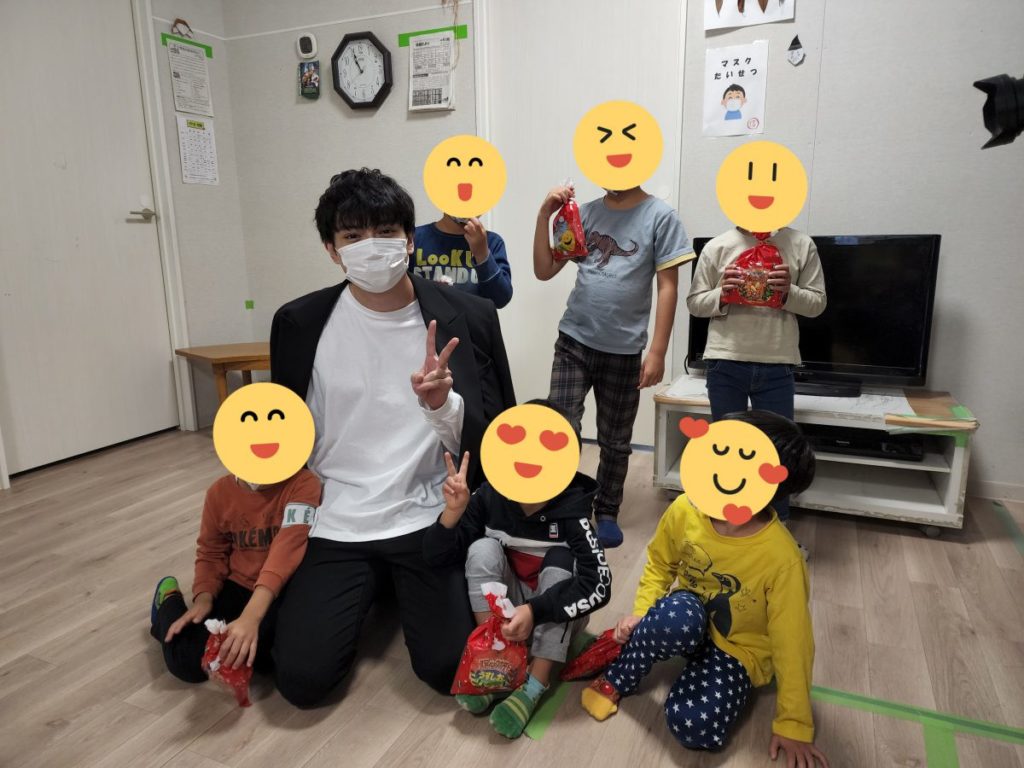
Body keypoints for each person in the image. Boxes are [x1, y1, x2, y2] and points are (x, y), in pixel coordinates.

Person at [269, 168, 517, 707]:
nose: (371, 246)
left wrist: (442, 404)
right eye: (352, 235)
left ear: (409, 239)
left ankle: (390, 583)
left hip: (429, 513)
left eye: (385, 231)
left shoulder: (469, 317)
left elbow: (495, 442)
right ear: (332, 250)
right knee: (302, 681)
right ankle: (373, 583)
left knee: (449, 668)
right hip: (337, 516)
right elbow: (283, 435)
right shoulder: (300, 323)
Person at [581, 411, 829, 767]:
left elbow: (794, 642)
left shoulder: (782, 558)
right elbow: (660, 563)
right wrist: (641, 613)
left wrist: (794, 723)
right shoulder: (686, 509)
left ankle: (698, 674)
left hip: (740, 650)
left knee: (695, 728)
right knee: (674, 617)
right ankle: (620, 674)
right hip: (689, 618)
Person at [422, 399, 611, 738]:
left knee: (561, 562)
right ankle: (498, 661)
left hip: (553, 611)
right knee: (481, 549)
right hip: (508, 608)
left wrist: (536, 610)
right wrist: (453, 512)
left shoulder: (574, 512)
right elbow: (436, 556)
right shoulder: (488, 497)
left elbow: (599, 584)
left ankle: (535, 683)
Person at [533, 183, 693, 549]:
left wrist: (658, 351)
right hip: (574, 341)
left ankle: (606, 508)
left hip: (623, 351)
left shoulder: (660, 217)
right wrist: (544, 217)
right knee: (561, 427)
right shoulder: (585, 213)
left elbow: (667, 287)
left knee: (615, 439)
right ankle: (559, 502)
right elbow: (544, 270)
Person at [686, 226, 825, 523]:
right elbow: (694, 303)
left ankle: (777, 525)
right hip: (726, 360)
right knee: (725, 448)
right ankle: (724, 523)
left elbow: (817, 304)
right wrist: (723, 294)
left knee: (779, 453)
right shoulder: (718, 246)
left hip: (778, 361)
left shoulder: (801, 244)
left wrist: (789, 292)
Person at [149, 469, 321, 683]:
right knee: (187, 662)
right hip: (236, 586)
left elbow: (288, 548)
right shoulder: (219, 492)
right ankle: (168, 599)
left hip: (278, 591)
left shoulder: (303, 483)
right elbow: (211, 552)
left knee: (267, 659)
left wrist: (251, 617)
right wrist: (204, 598)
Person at [410, 214, 513, 308]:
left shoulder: (492, 242)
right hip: (424, 321)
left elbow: (501, 299)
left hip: (475, 321)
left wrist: (482, 254)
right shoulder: (414, 239)